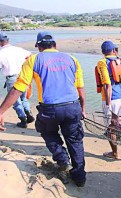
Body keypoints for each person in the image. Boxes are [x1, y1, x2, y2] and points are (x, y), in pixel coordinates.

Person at [0, 31, 87, 187]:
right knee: (75, 140)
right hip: (72, 106)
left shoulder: (33, 60)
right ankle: (80, 177)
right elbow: (80, 87)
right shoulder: (72, 59)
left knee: (47, 131)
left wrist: (0, 112)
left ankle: (62, 160)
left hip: (50, 109)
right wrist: (83, 108)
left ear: (39, 46)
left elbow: (17, 89)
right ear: (55, 45)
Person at [96, 41, 121, 159]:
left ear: (103, 52)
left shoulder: (102, 62)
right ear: (114, 50)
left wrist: (108, 104)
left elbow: (107, 84)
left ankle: (115, 153)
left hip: (112, 99)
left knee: (110, 128)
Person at [0, 32, 35, 128]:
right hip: (23, 76)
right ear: (8, 40)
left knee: (15, 100)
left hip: (12, 78)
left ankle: (23, 119)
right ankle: (28, 114)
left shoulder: (1, 53)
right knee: (23, 98)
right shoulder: (19, 50)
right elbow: (30, 56)